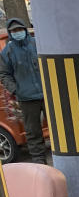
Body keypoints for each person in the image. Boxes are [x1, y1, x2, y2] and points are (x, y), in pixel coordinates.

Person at [0, 18, 47, 164]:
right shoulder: (8, 51)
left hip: (47, 95)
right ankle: (40, 164)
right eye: (14, 31)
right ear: (10, 33)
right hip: (26, 98)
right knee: (33, 133)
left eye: (19, 29)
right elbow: (4, 74)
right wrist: (15, 89)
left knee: (59, 126)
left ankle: (64, 156)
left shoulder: (37, 44)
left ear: (24, 29)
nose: (17, 32)